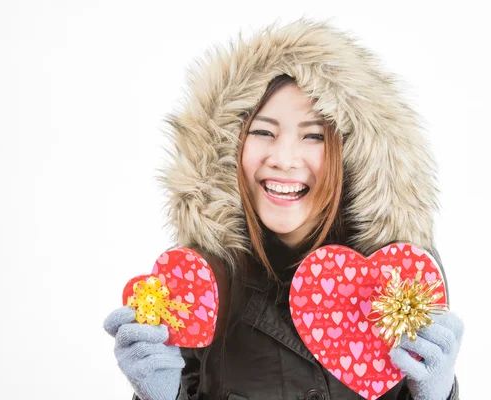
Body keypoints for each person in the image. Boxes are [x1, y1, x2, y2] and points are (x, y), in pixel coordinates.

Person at [103, 18, 464, 400]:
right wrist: (159, 394)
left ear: (354, 153)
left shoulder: (398, 277)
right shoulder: (204, 285)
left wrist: (437, 395)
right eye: (262, 132)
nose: (284, 159)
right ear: (228, 149)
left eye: (313, 136)